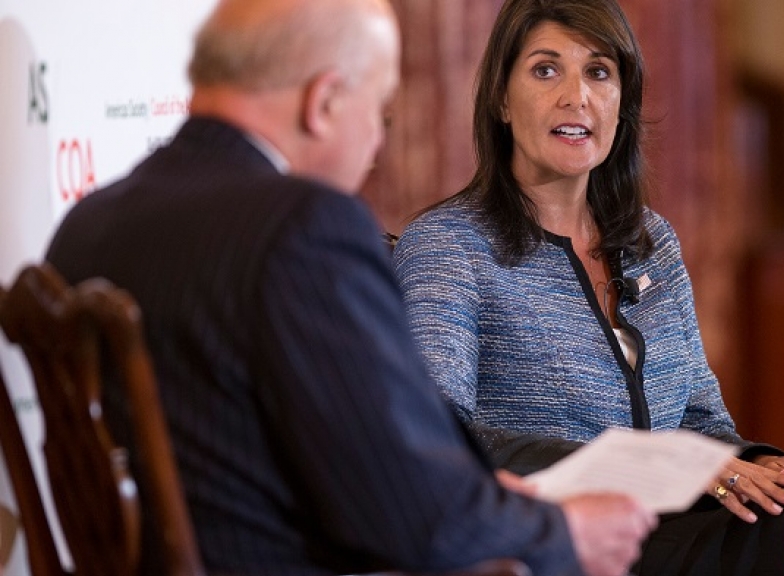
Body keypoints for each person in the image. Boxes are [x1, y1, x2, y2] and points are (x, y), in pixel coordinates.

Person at [43, 0, 657, 574]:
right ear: (325, 101)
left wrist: (473, 491)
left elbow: (297, 459)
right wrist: (562, 531)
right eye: (378, 112)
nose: (377, 142)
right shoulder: (302, 229)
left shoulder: (86, 225)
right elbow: (409, 514)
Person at [393, 0, 784, 575]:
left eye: (598, 72)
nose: (576, 96)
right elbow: (437, 437)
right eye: (545, 70)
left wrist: (758, 464)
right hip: (562, 537)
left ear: (622, 102)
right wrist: (646, 462)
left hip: (674, 525)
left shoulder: (651, 243)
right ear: (500, 98)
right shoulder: (450, 245)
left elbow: (701, 420)